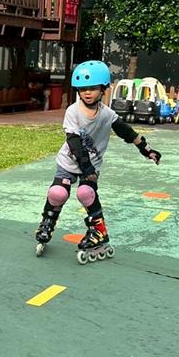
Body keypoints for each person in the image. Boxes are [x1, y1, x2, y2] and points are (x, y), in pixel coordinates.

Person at [34, 60, 162, 264]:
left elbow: (127, 133)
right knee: (57, 193)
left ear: (103, 89)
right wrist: (86, 168)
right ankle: (47, 222)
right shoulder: (73, 111)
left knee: (86, 193)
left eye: (92, 88)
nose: (87, 93)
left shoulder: (107, 115)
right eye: (83, 89)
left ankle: (99, 231)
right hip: (70, 161)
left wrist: (146, 150)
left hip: (92, 165)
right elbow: (74, 143)